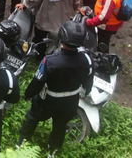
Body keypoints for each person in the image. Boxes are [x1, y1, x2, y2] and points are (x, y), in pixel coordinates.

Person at [18, 21, 93, 156]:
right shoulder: (87, 60)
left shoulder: (50, 61)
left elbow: (37, 81)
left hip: (48, 100)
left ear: (62, 37)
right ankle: (53, 150)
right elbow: (88, 81)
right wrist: (84, 92)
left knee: (32, 117)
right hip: (71, 101)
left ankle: (21, 142)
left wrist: (28, 94)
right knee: (60, 125)